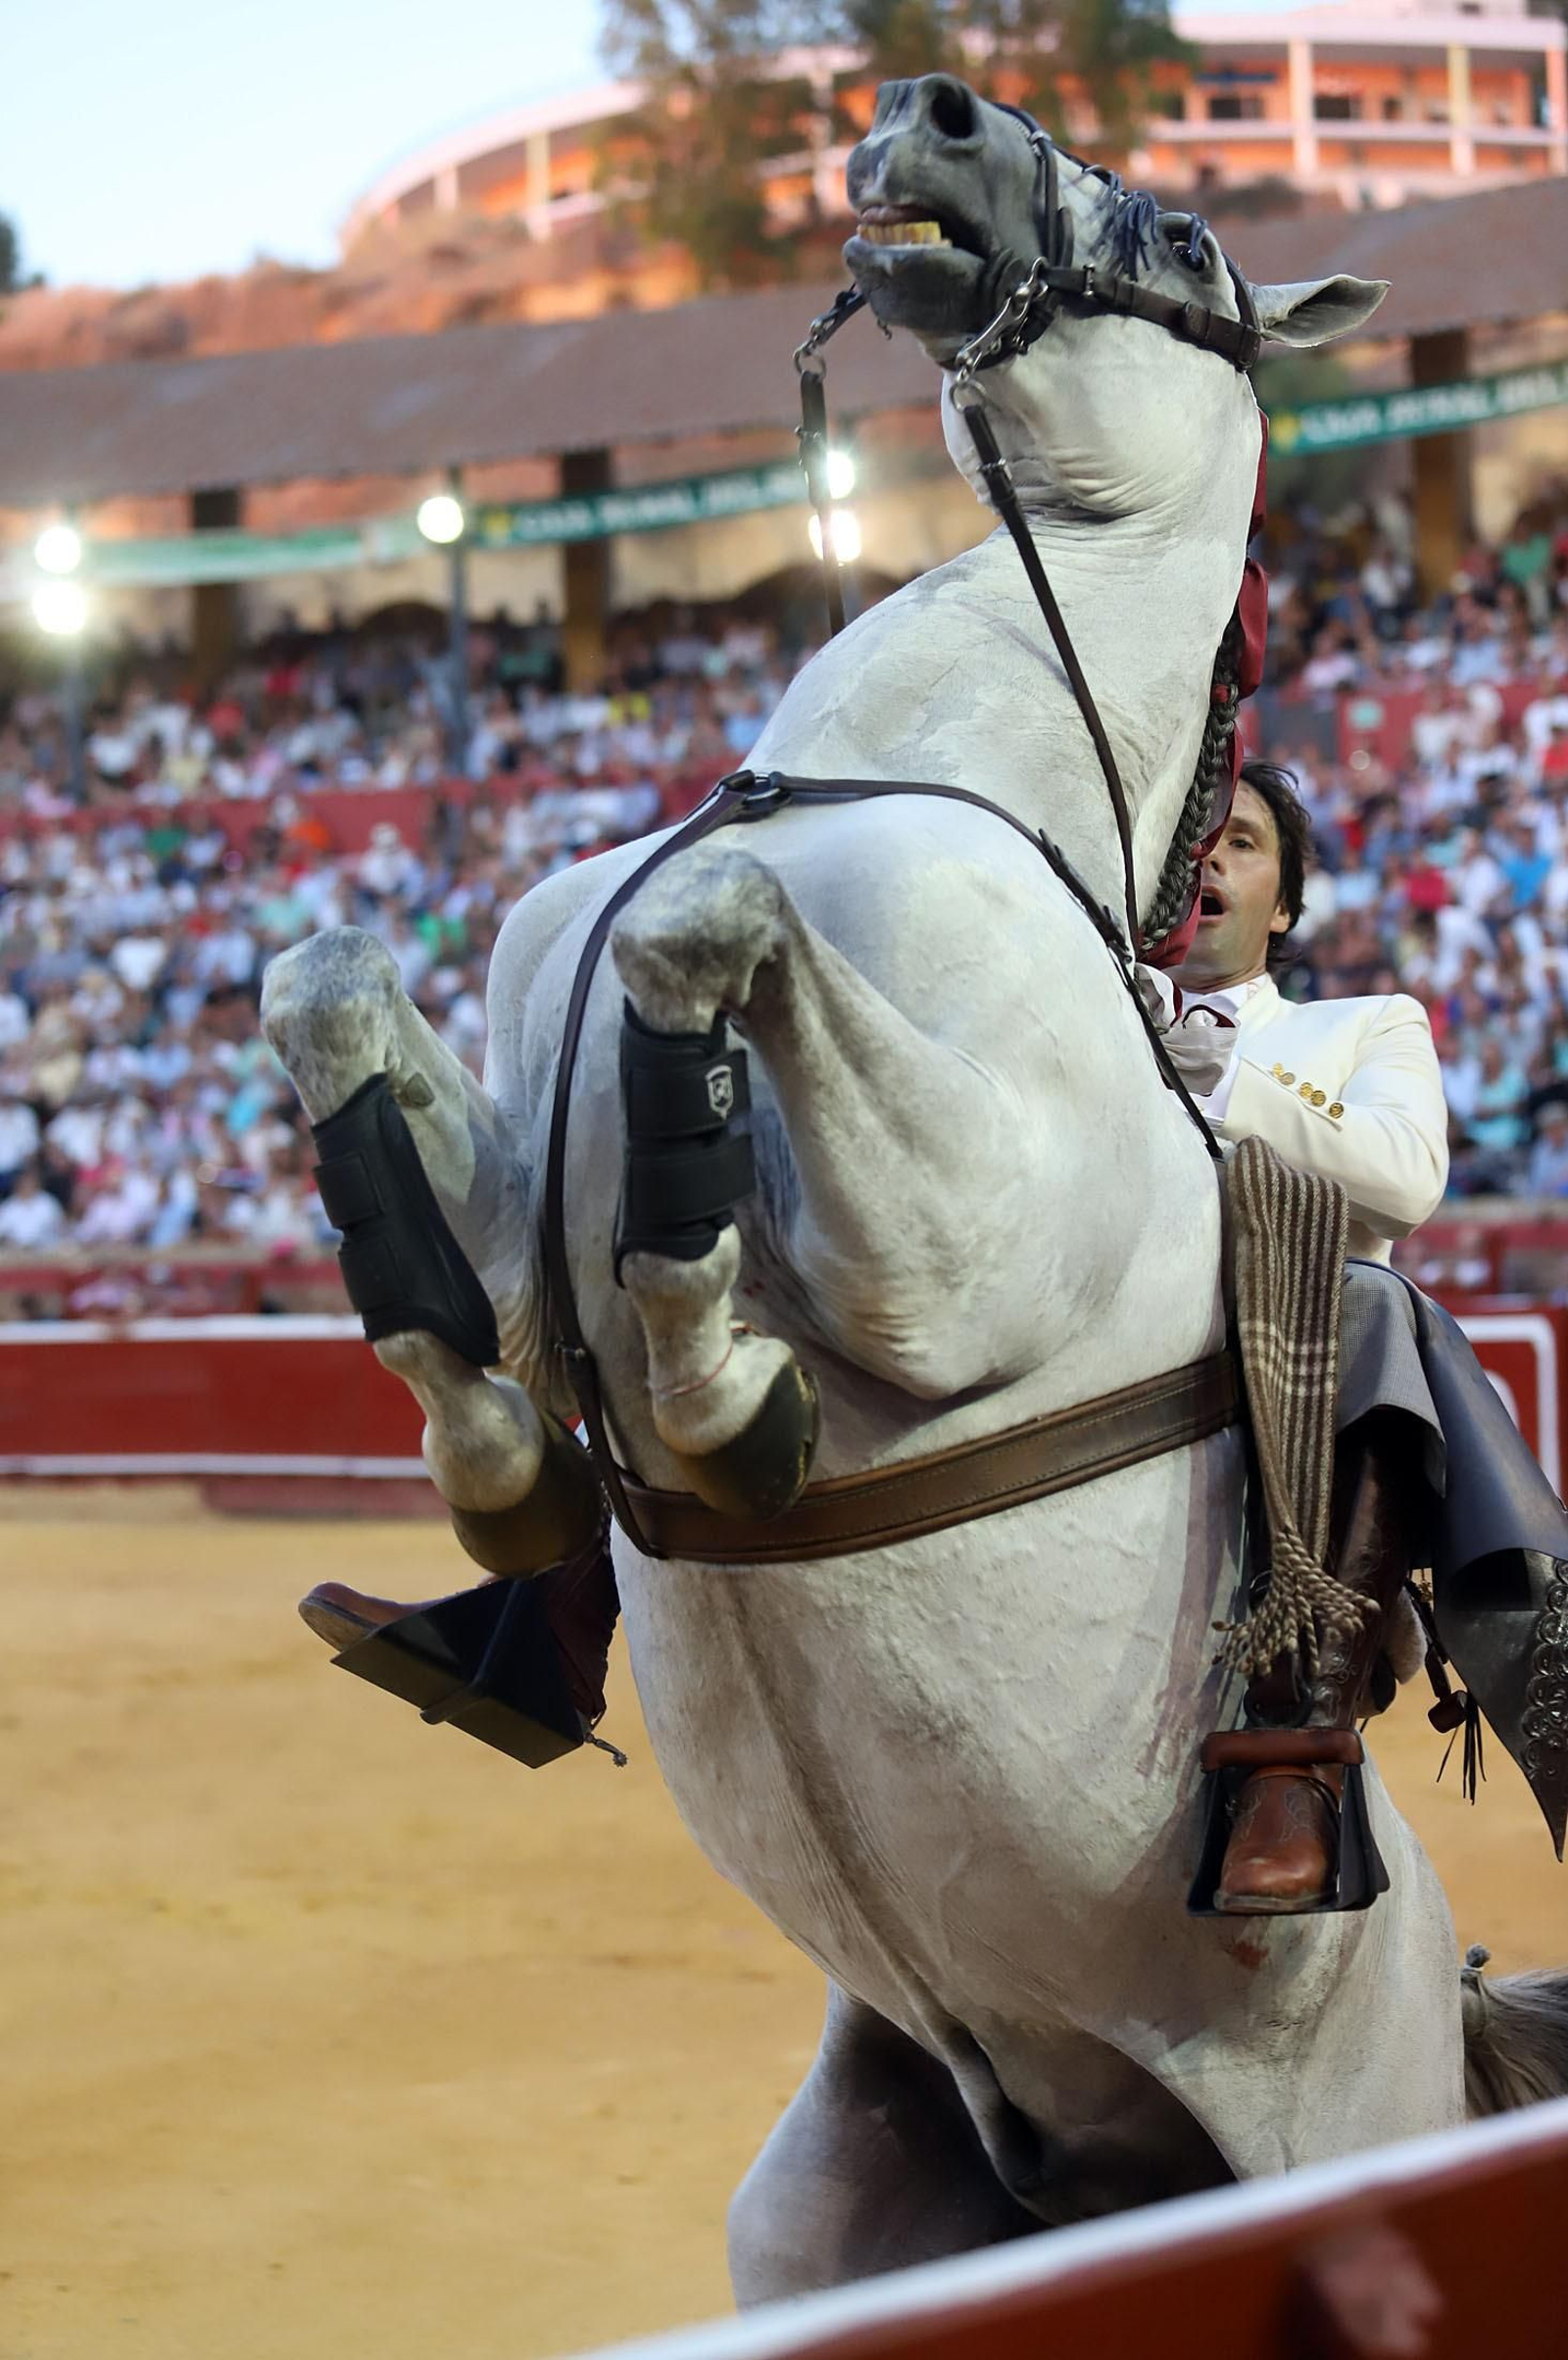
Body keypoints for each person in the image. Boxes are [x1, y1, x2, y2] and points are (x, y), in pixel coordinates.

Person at [1155, 762, 1450, 1913]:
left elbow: (1403, 1181)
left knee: (1374, 1302)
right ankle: (583, 1590)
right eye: (1189, 842)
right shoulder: (1078, 1033)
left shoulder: (1367, 1023)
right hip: (1089, 1366)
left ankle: (1295, 1744)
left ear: (1282, 905)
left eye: (1238, 841)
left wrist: (1223, 1070)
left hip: (1286, 1390)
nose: (1208, 859)